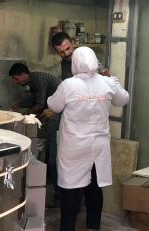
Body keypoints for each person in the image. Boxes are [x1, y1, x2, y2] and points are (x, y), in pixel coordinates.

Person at [47, 47, 129, 231]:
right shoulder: (107, 82)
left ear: (75, 63)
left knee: (70, 189)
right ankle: (93, 226)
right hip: (98, 146)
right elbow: (123, 99)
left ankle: (67, 228)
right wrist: (113, 80)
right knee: (94, 186)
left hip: (74, 146)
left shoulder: (69, 84)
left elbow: (54, 105)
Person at [9, 63, 61, 207]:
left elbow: (39, 104)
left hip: (59, 114)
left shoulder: (38, 80)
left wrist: (21, 116)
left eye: (16, 78)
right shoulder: (33, 82)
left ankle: (60, 197)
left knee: (52, 158)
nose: (16, 82)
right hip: (52, 109)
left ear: (24, 74)